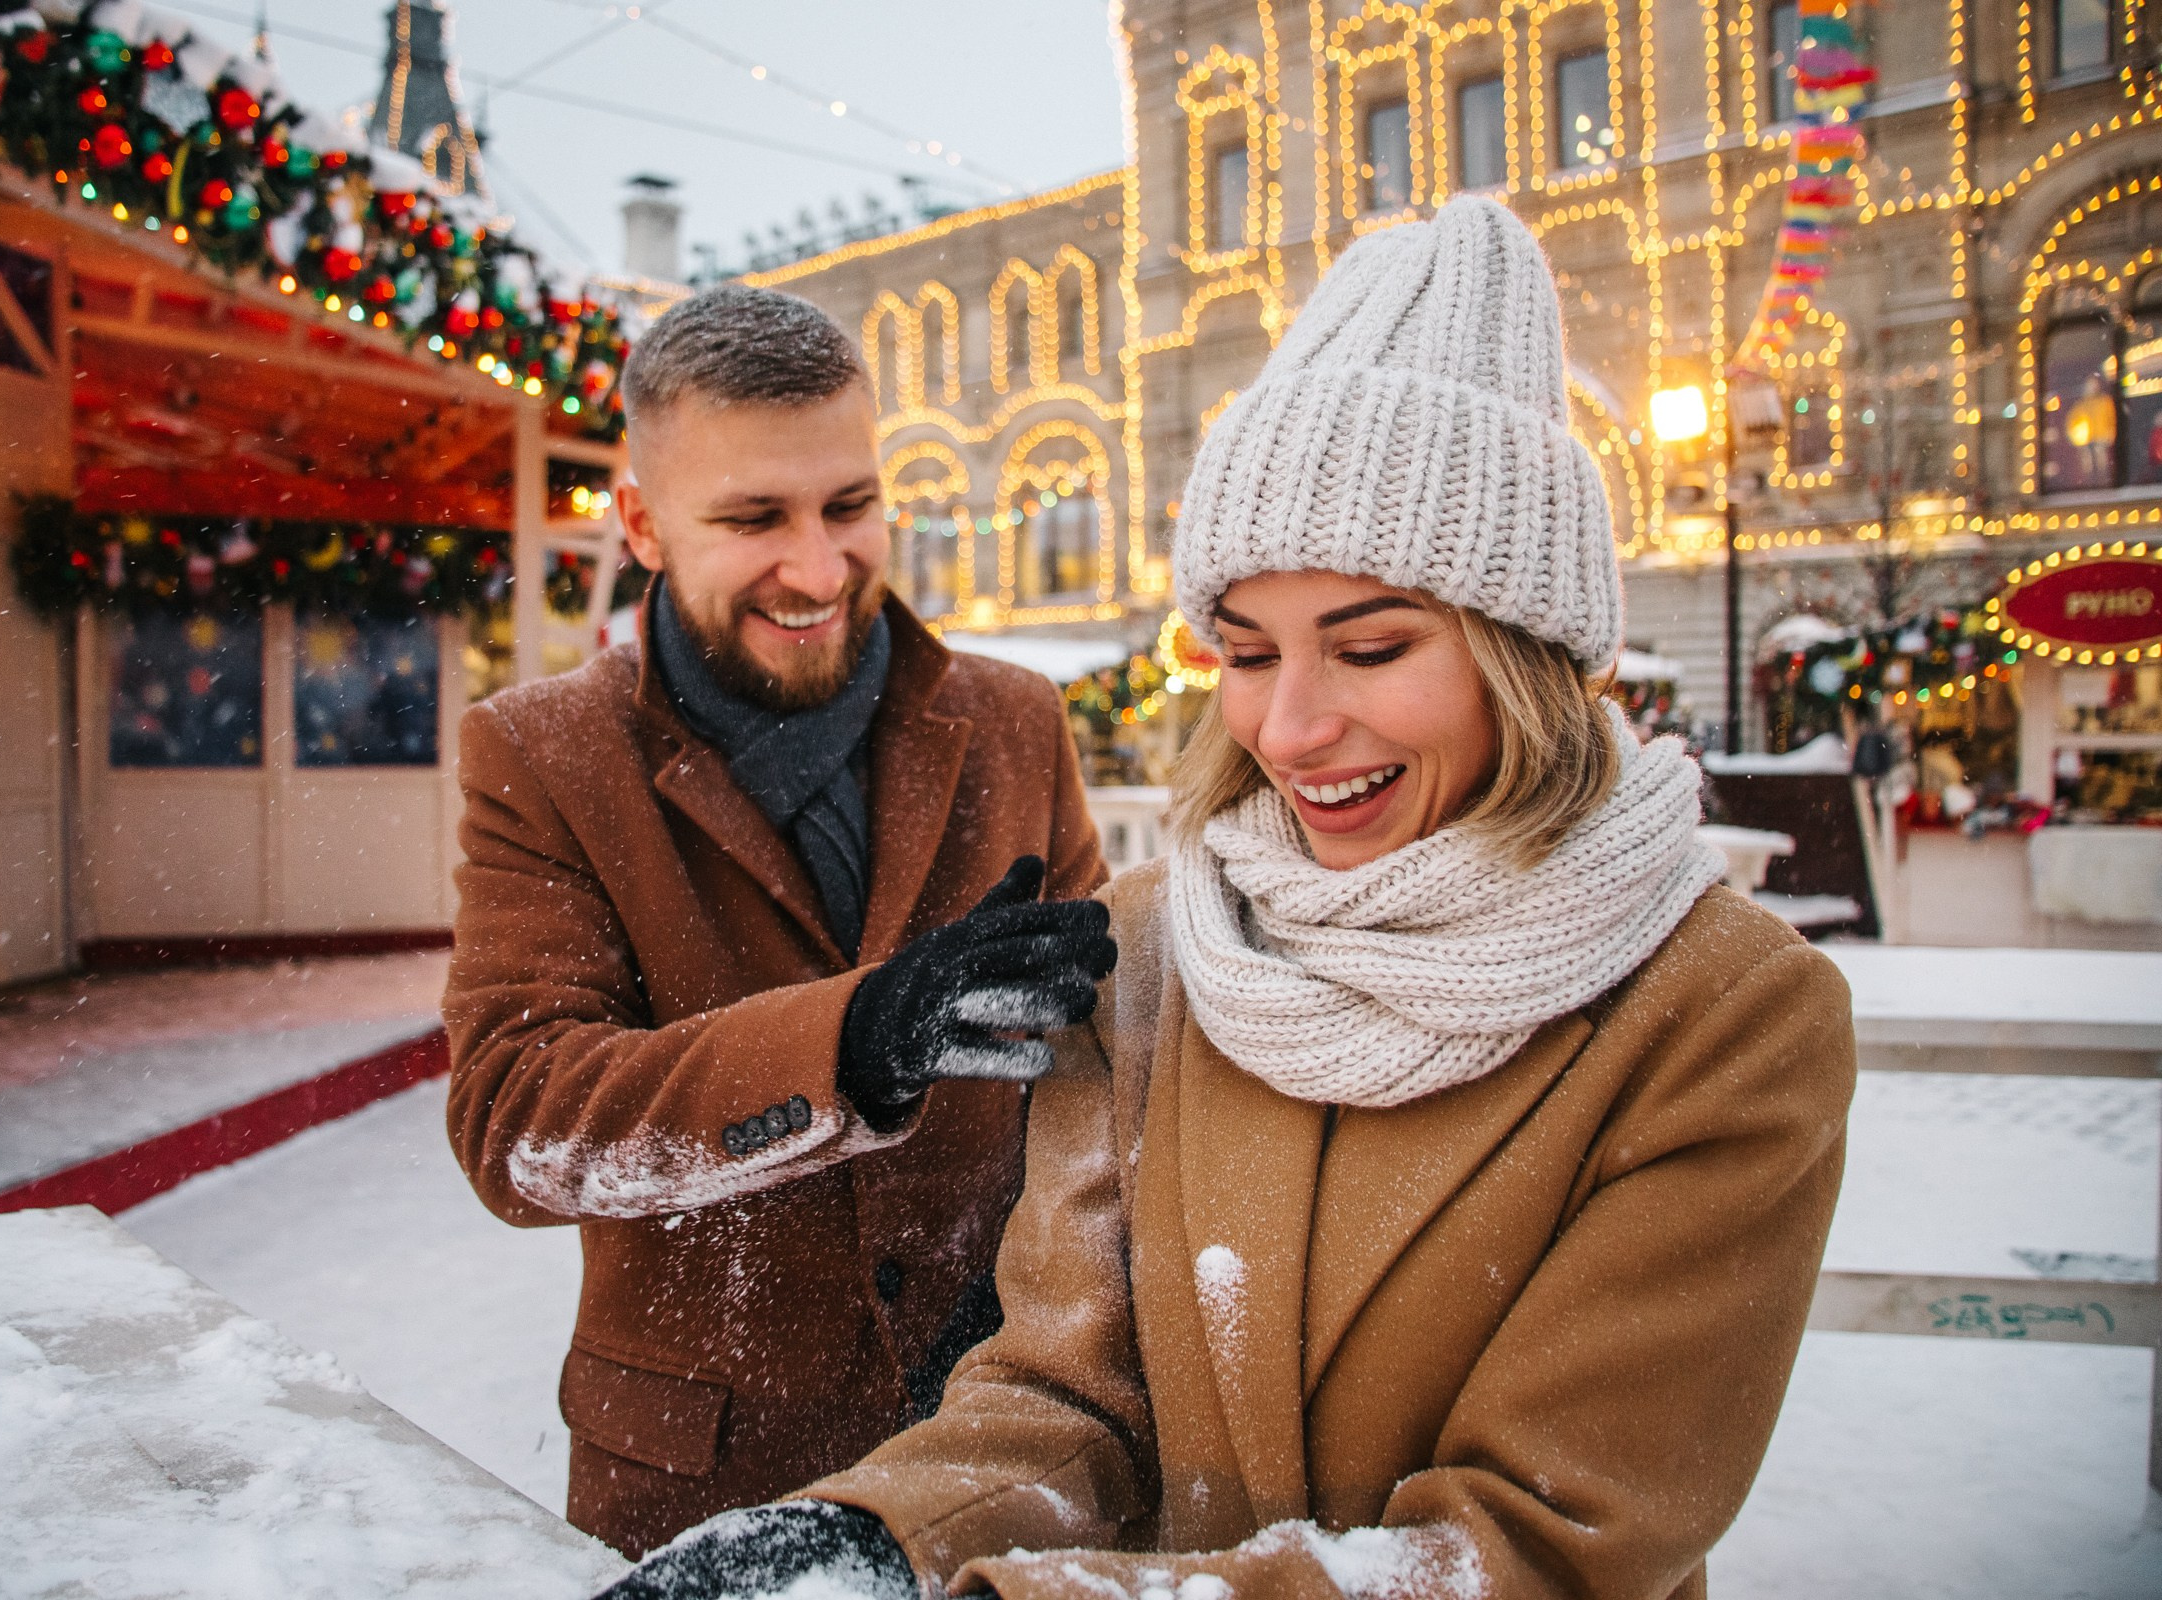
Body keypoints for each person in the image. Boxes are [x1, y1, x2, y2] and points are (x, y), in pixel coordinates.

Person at [593, 199, 1856, 1599]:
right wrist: (876, 1535)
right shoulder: (1154, 946)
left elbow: (1538, 1548)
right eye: (1246, 653)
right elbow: (1065, 1401)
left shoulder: (1725, 1013)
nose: (1293, 727)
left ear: (1530, 655)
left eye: (1369, 647)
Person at [442, 285, 1116, 1558]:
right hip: (704, 1494)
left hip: (999, 1461)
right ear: (641, 521)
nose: (817, 568)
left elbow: (1103, 1073)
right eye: (755, 517)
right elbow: (517, 1120)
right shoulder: (540, 753)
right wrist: (849, 1045)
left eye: (848, 507)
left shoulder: (1018, 719)